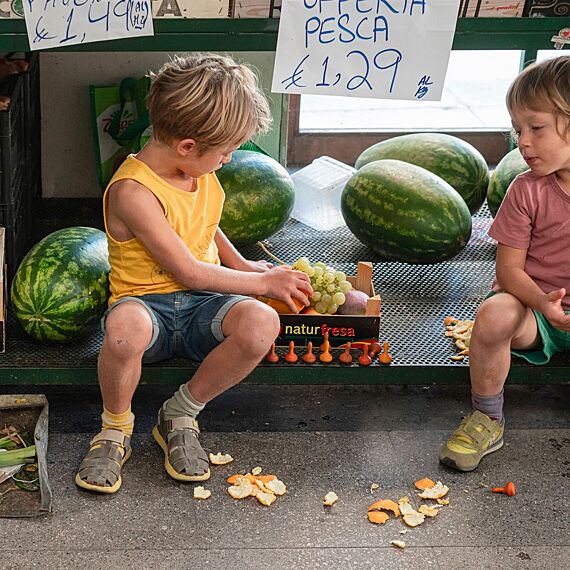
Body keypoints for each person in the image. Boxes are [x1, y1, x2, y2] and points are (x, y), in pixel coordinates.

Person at [75, 53, 312, 493]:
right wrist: (262, 282)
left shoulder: (197, 172)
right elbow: (188, 271)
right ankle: (114, 429)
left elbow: (205, 221)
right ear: (187, 146)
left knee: (263, 323)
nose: (228, 159)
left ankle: (180, 413)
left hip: (203, 308)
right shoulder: (133, 191)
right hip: (148, 308)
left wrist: (240, 262)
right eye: (224, 152)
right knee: (124, 330)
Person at [439, 55, 570, 472]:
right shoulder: (525, 190)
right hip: (537, 313)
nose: (523, 142)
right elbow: (508, 272)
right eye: (518, 130)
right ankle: (487, 418)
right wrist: (545, 304)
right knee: (493, 315)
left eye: (536, 128)